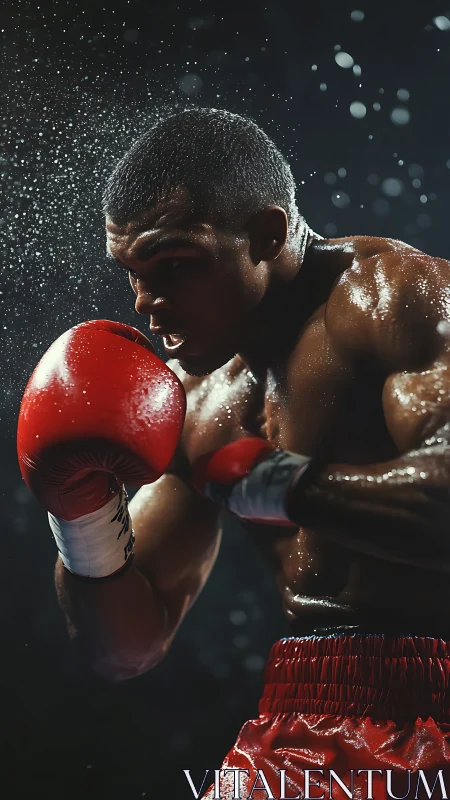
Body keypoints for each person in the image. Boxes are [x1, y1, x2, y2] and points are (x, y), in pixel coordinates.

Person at [17, 108, 450, 799]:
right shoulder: (197, 401)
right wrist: (84, 519)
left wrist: (279, 485)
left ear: (266, 234)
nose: (146, 302)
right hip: (297, 718)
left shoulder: (394, 299)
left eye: (175, 264)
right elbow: (125, 650)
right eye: (131, 271)